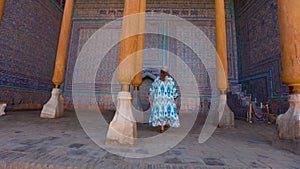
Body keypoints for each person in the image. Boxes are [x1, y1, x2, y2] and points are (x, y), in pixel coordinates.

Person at [147, 66, 180, 133]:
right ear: (167, 72)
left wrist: (149, 94)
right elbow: (174, 90)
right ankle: (164, 125)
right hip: (167, 100)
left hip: (158, 100)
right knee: (166, 112)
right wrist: (175, 96)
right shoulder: (170, 80)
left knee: (160, 113)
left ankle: (162, 127)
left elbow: (152, 88)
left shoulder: (157, 80)